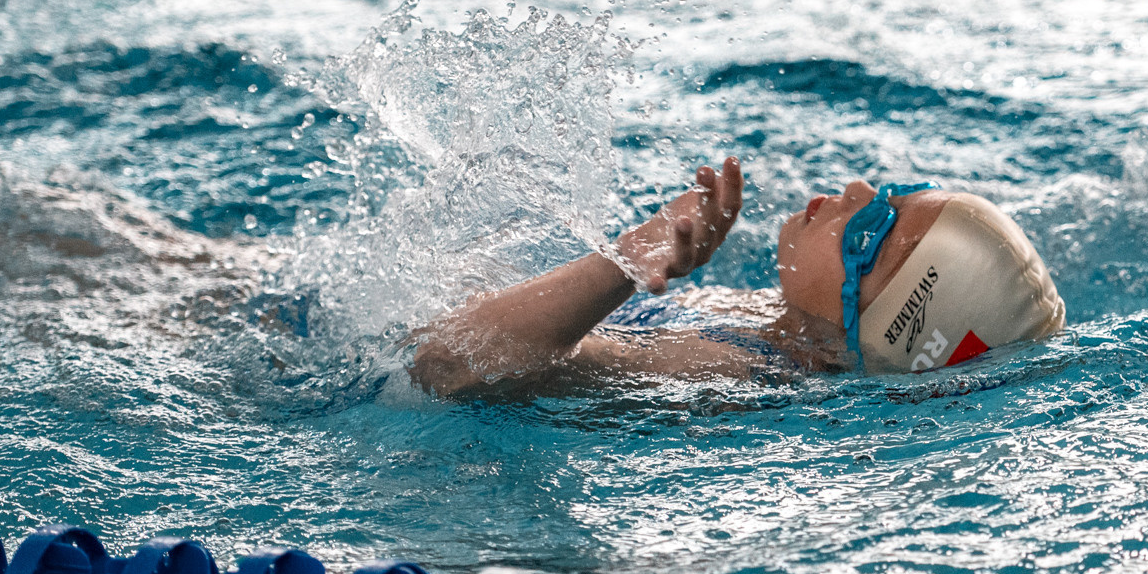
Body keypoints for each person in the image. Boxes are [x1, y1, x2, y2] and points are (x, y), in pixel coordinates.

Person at [407, 157, 1065, 397]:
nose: (859, 189)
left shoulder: (720, 371)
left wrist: (629, 260)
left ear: (885, 320)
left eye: (877, 227)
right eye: (891, 190)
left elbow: (446, 362)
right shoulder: (771, 325)